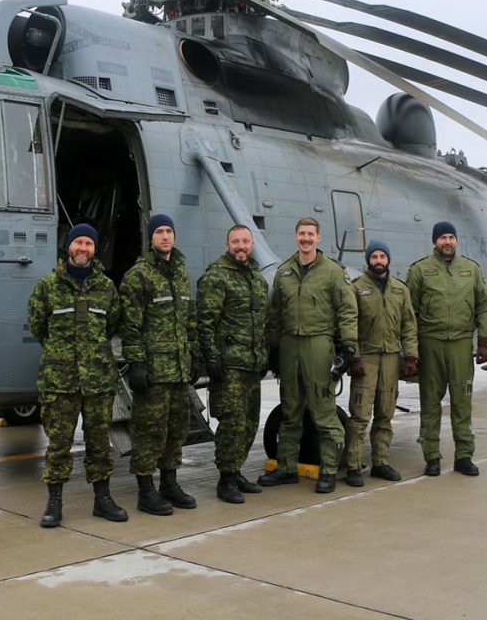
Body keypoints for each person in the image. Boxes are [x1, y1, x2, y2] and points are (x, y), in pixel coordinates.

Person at [27, 223, 128, 528]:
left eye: (88, 243)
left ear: (95, 249)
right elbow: (37, 325)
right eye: (78, 243)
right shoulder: (48, 286)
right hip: (60, 382)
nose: (83, 248)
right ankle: (54, 502)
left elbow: (112, 326)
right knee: (59, 445)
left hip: (97, 380)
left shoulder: (106, 288)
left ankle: (103, 499)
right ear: (68, 247)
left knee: (99, 443)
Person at [259, 217, 358, 494]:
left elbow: (347, 310)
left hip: (318, 343)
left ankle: (328, 469)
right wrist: (274, 347)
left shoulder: (332, 271)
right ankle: (286, 467)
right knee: (290, 408)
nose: (305, 238)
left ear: (318, 238)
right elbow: (276, 313)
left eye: (310, 234)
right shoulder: (285, 272)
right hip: (290, 344)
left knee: (323, 409)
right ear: (295, 237)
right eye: (301, 234)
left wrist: (348, 345)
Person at [120, 213, 199, 515]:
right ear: (151, 238)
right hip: (153, 371)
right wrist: (136, 364)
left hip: (179, 370)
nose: (165, 236)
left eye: (169, 231)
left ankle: (169, 483)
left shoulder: (180, 271)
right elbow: (130, 325)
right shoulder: (138, 275)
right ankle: (145, 490)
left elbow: (188, 320)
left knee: (176, 429)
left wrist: (193, 356)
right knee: (148, 430)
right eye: (159, 232)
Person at [406, 221, 487, 477]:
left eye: (451, 237)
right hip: (430, 343)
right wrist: (412, 350)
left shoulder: (471, 270)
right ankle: (432, 456)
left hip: (460, 344)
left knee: (462, 402)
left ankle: (464, 456)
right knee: (430, 403)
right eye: (442, 237)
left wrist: (484, 341)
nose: (447, 242)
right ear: (435, 241)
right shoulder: (420, 270)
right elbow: (409, 314)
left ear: (456, 241)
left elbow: (484, 307)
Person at [197, 224, 270, 504]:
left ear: (252, 244)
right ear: (227, 245)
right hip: (229, 366)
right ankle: (225, 479)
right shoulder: (216, 277)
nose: (241, 246)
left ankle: (236, 469)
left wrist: (263, 355)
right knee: (231, 422)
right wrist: (211, 358)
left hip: (252, 364)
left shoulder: (257, 279)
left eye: (245, 241)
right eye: (236, 241)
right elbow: (204, 322)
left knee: (250, 421)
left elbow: (261, 323)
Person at [344, 240, 419, 487]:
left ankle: (381, 463)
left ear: (388, 259)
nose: (378, 261)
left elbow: (409, 325)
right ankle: (354, 465)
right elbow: (349, 322)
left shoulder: (400, 289)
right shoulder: (357, 288)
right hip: (366, 357)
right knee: (360, 414)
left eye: (382, 256)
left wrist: (410, 356)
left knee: (385, 413)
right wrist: (353, 356)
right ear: (368, 260)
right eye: (374, 256)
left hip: (390, 357)